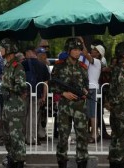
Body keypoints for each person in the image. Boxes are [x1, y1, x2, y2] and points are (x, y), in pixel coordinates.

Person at [50, 38, 89, 168]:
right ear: (68, 50)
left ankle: (82, 162)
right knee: (63, 137)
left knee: (82, 136)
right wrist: (63, 93)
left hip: (79, 106)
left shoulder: (83, 66)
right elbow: (52, 85)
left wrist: (85, 91)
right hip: (65, 106)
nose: (78, 52)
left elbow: (86, 85)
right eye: (75, 50)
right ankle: (62, 162)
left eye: (79, 50)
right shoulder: (59, 65)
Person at [0, 38, 26, 168]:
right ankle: (11, 157)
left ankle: (19, 161)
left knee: (17, 136)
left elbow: (21, 86)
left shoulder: (17, 66)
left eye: (2, 47)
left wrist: (8, 89)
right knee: (7, 135)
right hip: (7, 106)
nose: (0, 50)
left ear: (9, 49)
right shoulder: (6, 66)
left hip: (16, 107)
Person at [106, 41, 124, 168]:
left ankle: (114, 162)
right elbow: (121, 90)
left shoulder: (116, 67)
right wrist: (115, 104)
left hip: (116, 107)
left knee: (116, 137)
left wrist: (110, 103)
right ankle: (119, 162)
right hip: (122, 107)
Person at [22, 46, 50, 145]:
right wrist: (44, 97)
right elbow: (45, 83)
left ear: (28, 53)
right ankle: (32, 138)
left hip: (24, 94)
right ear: (34, 53)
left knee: (24, 116)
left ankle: (23, 137)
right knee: (34, 116)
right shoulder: (43, 65)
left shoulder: (23, 64)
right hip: (37, 93)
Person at [86, 44, 103, 143]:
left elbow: (85, 53)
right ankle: (94, 132)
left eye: (95, 51)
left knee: (93, 113)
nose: (92, 51)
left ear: (99, 54)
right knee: (91, 113)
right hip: (90, 88)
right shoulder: (92, 62)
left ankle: (95, 134)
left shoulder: (96, 61)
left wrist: (82, 43)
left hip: (93, 88)